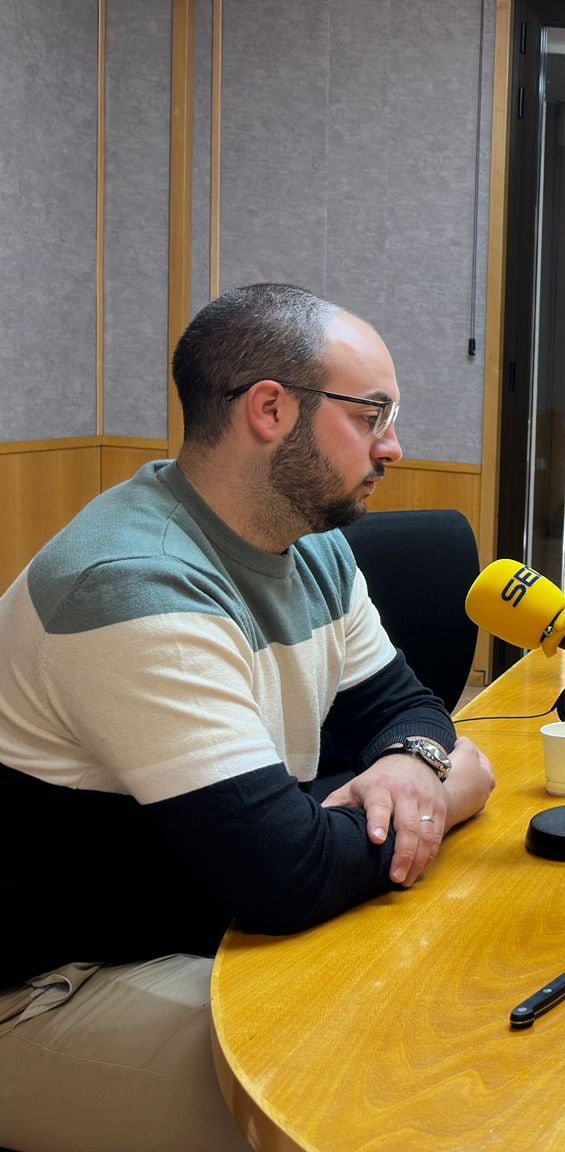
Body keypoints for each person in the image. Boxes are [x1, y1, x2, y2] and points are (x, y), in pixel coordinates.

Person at [0, 284, 496, 1151]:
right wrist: (453, 788)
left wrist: (416, 760)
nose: (393, 444)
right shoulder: (131, 583)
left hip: (202, 924)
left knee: (459, 1006)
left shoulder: (312, 542)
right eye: (371, 413)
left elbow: (405, 705)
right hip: (56, 991)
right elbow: (285, 873)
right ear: (269, 410)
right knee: (386, 1095)